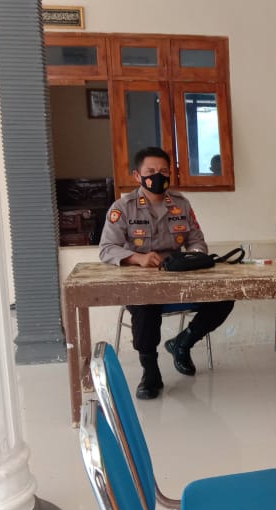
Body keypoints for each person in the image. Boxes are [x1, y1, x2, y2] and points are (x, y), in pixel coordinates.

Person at [99, 146, 234, 399]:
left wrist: (192, 257)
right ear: (137, 175)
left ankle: (183, 342)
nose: (158, 176)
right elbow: (107, 249)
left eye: (163, 171)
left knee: (225, 296)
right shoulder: (123, 207)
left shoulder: (181, 204)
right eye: (151, 171)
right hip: (141, 284)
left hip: (178, 280)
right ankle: (150, 372)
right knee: (145, 306)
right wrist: (138, 258)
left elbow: (197, 241)